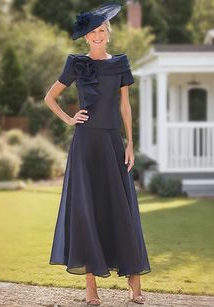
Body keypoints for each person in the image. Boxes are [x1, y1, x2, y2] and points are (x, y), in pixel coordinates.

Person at [44, 2, 151, 306]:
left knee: (121, 208)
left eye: (102, 30)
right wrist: (69, 119)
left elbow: (125, 106)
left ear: (108, 33)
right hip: (85, 145)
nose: (98, 35)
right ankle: (91, 286)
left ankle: (134, 281)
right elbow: (50, 97)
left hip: (112, 143)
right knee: (86, 211)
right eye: (93, 32)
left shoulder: (120, 63)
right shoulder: (76, 63)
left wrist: (130, 143)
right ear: (86, 37)